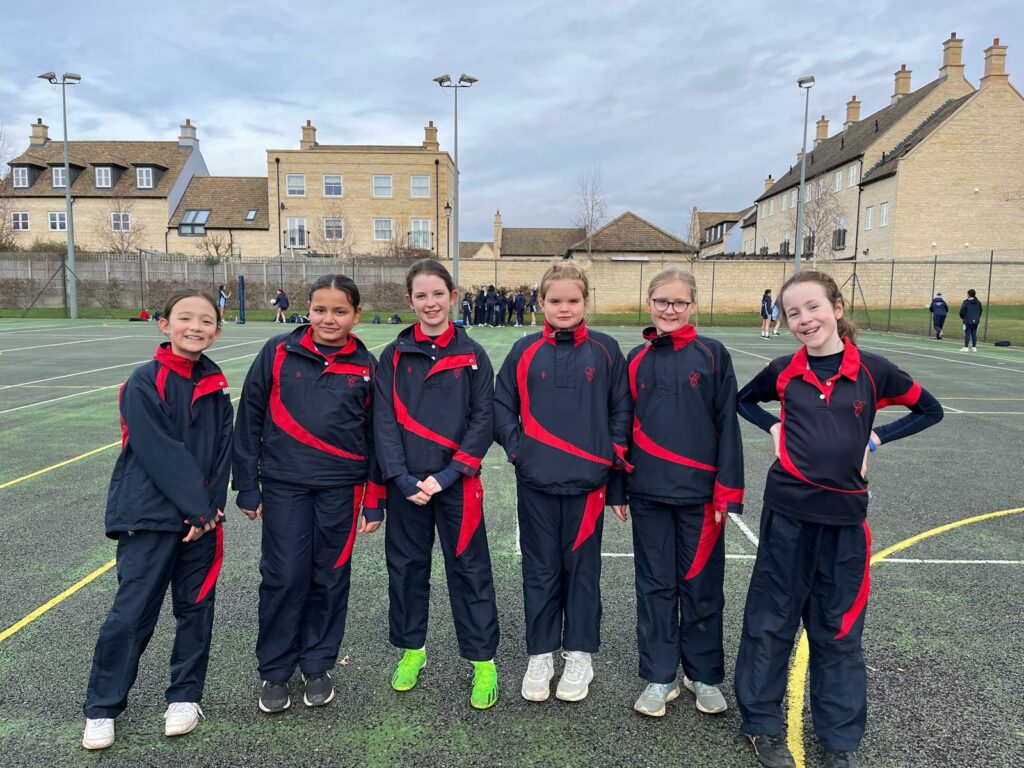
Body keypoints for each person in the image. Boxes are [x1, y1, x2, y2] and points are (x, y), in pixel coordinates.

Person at [734, 270, 943, 768]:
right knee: (770, 623)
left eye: (813, 307)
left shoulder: (873, 371)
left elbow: (928, 409)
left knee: (839, 631)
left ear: (838, 307)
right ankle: (761, 725)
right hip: (786, 516)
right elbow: (742, 400)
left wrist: (877, 439)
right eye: (794, 313)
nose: (805, 319)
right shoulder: (783, 370)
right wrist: (775, 426)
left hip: (846, 523)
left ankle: (839, 739)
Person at [82, 289, 233, 750]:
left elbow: (222, 451)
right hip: (149, 517)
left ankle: (185, 696)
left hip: (201, 521)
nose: (196, 327)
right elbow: (158, 451)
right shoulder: (144, 381)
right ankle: (103, 707)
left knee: (195, 610)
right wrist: (198, 508)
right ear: (163, 325)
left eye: (205, 320)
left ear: (217, 330)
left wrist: (209, 509)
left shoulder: (217, 383)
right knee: (131, 614)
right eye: (185, 318)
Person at [233, 274, 385, 714]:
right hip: (284, 485)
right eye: (320, 309)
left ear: (356, 315)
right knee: (283, 576)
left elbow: (377, 437)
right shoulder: (278, 352)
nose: (328, 318)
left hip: (342, 488)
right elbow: (250, 417)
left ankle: (318, 664)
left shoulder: (367, 365)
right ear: (308, 310)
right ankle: (275, 670)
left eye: (340, 311)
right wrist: (246, 483)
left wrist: (374, 498)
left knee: (330, 577)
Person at [494, 261, 632, 704]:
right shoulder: (523, 350)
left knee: (583, 574)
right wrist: (520, 451)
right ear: (542, 304)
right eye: (555, 301)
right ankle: (540, 653)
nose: (564, 307)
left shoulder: (607, 350)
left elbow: (621, 413)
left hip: (588, 487)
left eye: (573, 300)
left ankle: (579, 654)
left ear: (586, 302)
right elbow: (501, 407)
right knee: (540, 572)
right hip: (536, 482)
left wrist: (608, 462)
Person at [373, 259, 500, 710]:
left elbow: (484, 419)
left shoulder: (473, 355)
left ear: (453, 296)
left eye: (438, 294)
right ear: (410, 301)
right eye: (421, 295)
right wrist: (402, 478)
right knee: (406, 571)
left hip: (457, 485)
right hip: (406, 487)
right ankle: (413, 651)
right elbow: (383, 420)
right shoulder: (393, 354)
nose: (430, 303)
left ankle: (482, 659)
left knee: (470, 571)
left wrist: (448, 475)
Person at [623, 267, 744, 719]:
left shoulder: (713, 355)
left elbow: (726, 426)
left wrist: (726, 493)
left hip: (701, 500)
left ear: (692, 306)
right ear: (649, 303)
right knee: (655, 587)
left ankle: (704, 674)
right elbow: (622, 429)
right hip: (648, 494)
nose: (669, 310)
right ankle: (660, 676)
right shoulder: (635, 359)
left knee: (702, 588)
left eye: (678, 302)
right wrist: (619, 488)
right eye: (661, 302)